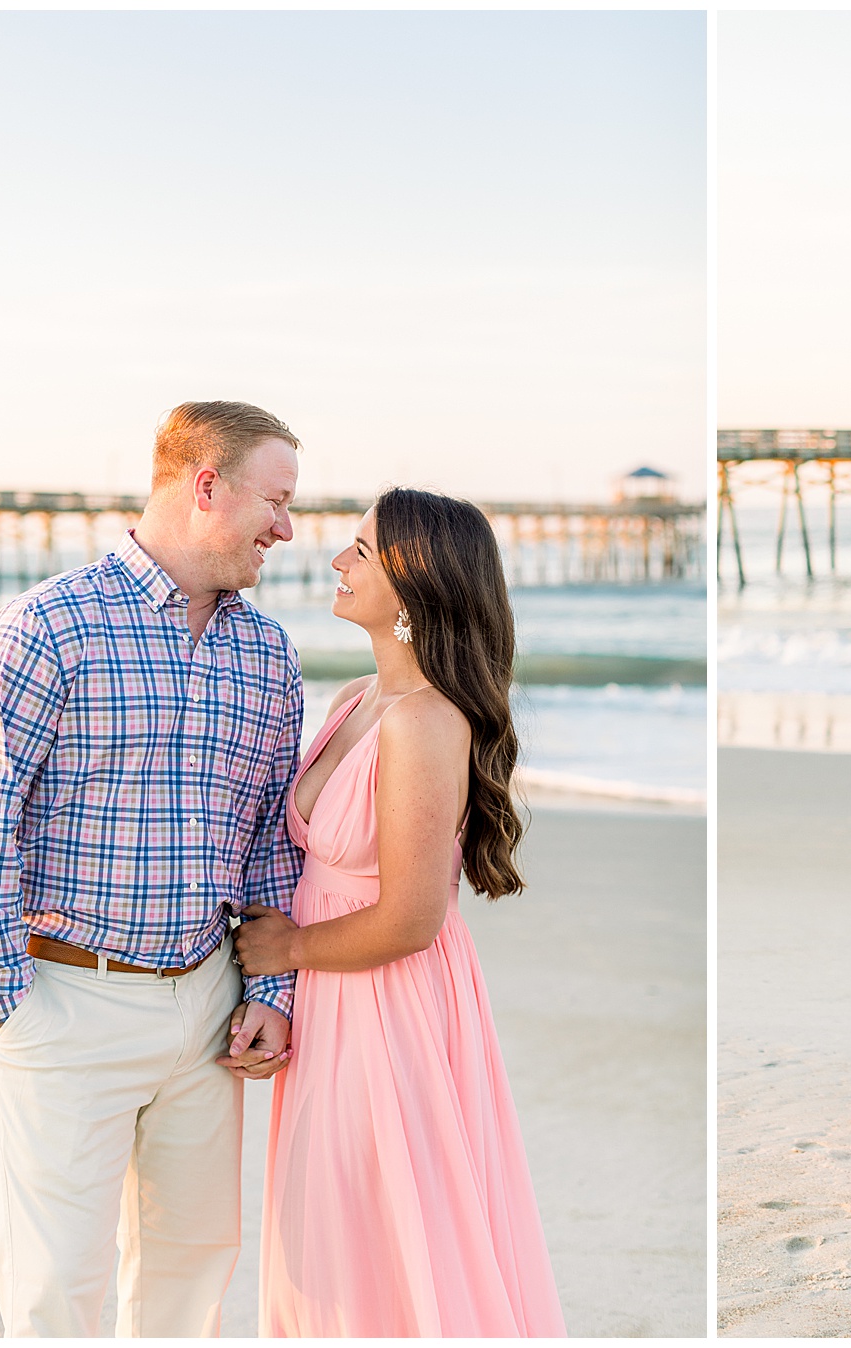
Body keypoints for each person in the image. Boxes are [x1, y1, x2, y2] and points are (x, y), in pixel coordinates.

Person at [0, 401, 305, 1336]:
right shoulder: (46, 629)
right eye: (277, 499)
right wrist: (6, 1000)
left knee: (191, 1273)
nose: (289, 528)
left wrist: (274, 990)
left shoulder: (266, 654)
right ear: (206, 485)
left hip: (210, 1005)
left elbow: (266, 838)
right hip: (66, 1003)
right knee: (57, 1284)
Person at [236, 487, 566, 1337]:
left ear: (416, 583)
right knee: (332, 1234)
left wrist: (288, 949)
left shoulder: (425, 722)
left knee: (380, 1236)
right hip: (333, 994)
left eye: (362, 551)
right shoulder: (356, 697)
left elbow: (413, 917)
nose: (338, 560)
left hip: (386, 1004)